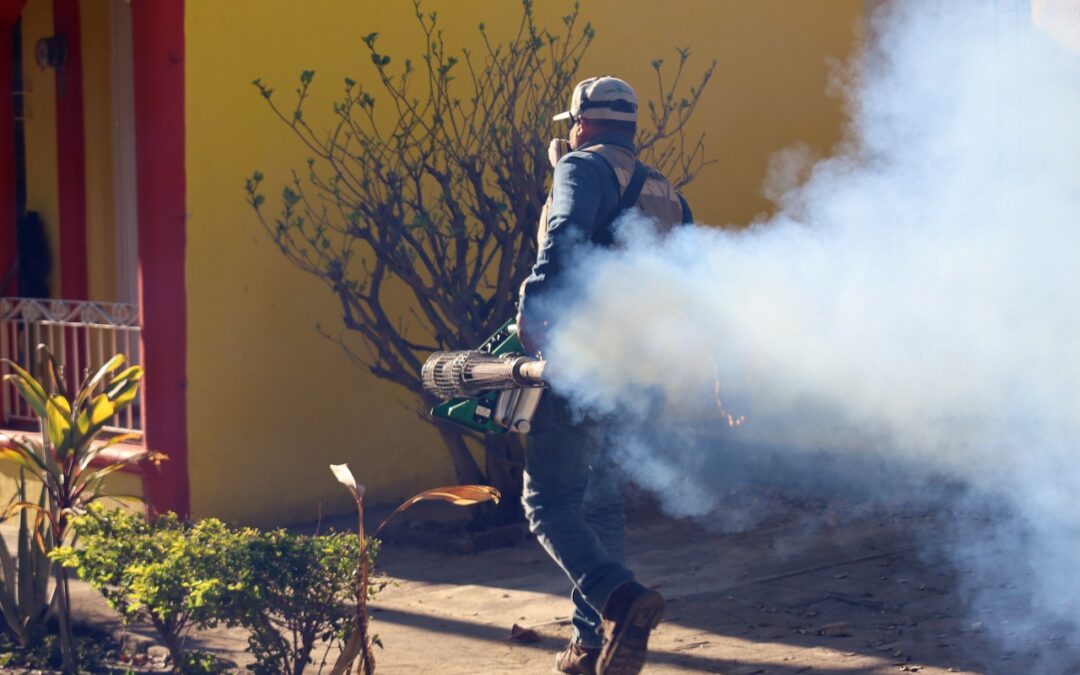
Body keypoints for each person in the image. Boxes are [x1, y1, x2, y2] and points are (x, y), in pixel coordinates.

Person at [515, 76, 692, 675]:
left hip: (583, 359)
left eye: (573, 125)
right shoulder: (665, 191)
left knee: (548, 502)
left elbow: (564, 238)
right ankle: (591, 645)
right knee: (601, 503)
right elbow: (694, 281)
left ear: (583, 124)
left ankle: (620, 600)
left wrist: (533, 309)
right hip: (637, 367)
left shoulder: (581, 168)